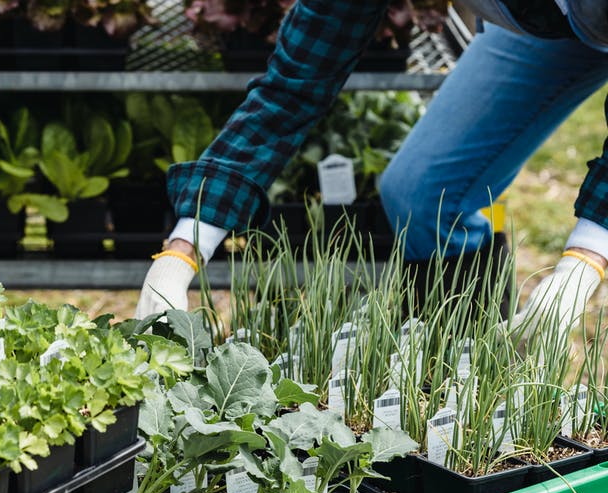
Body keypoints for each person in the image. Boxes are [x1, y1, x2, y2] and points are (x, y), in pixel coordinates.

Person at [136, 0, 608, 341]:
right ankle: (464, 371)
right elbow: (291, 88)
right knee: (423, 193)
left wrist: (584, 262)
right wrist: (182, 253)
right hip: (542, 27)